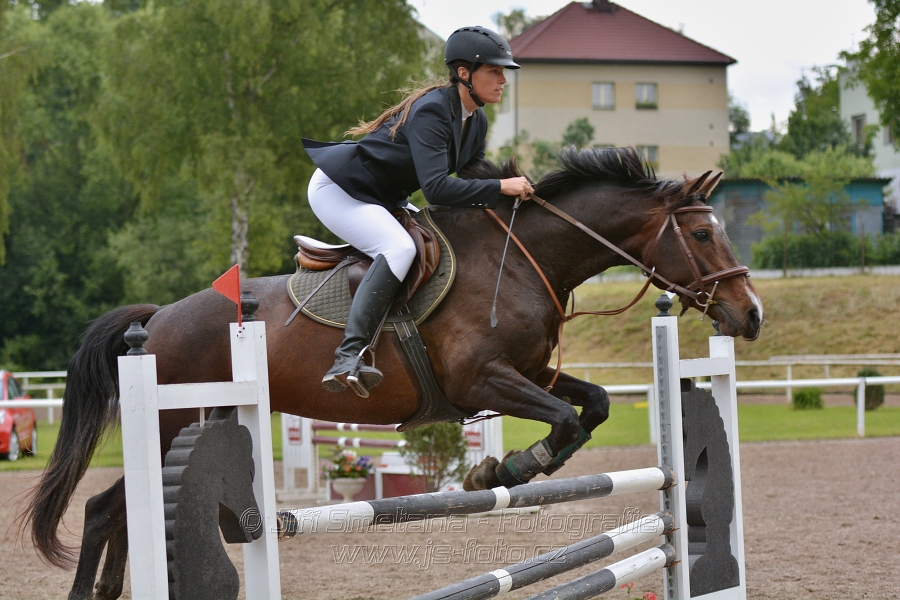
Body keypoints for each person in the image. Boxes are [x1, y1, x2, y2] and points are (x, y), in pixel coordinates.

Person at [303, 25, 533, 398]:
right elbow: (437, 188)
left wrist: (517, 196)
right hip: (340, 189)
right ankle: (348, 357)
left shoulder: (476, 119)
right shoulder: (433, 111)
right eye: (494, 71)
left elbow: (472, 178)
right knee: (399, 248)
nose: (503, 80)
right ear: (464, 73)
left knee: (436, 238)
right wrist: (500, 187)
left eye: (503, 72)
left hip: (384, 195)